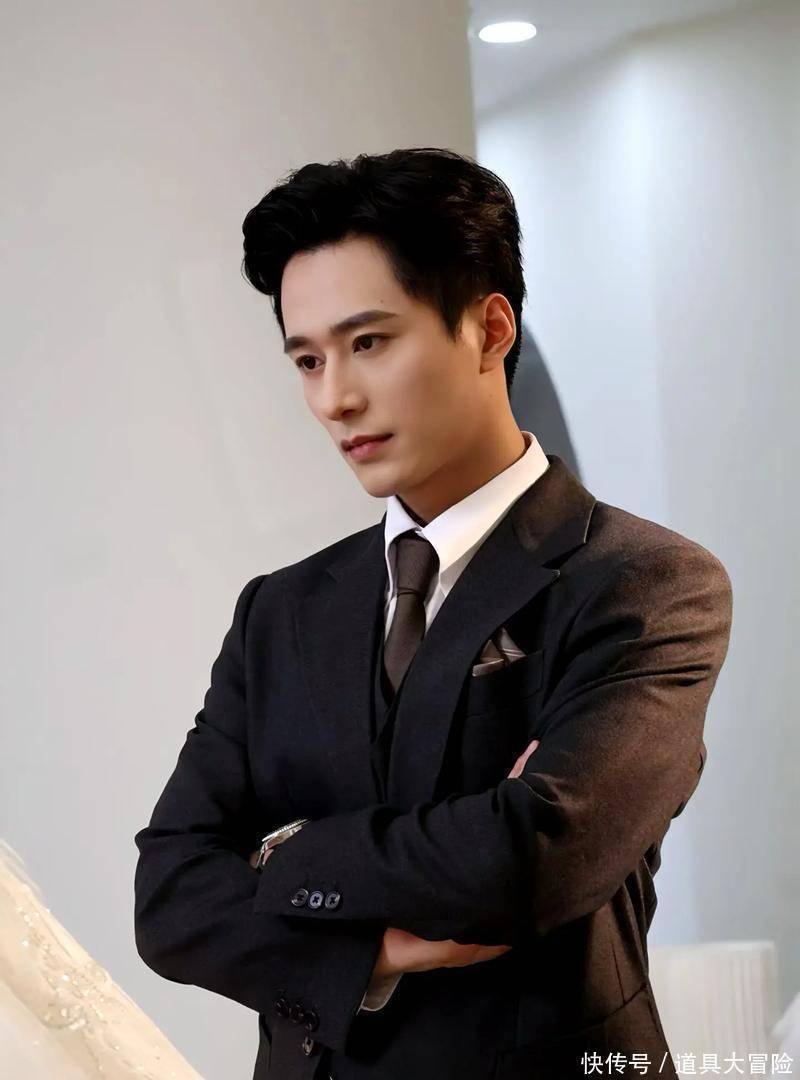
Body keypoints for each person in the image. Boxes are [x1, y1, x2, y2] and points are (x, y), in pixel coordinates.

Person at [133, 147, 734, 1079]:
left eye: (369, 343)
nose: (335, 398)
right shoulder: (278, 610)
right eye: (307, 359)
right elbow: (169, 896)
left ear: (489, 328)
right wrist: (371, 950)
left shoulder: (647, 582)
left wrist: (280, 852)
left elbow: (531, 858)